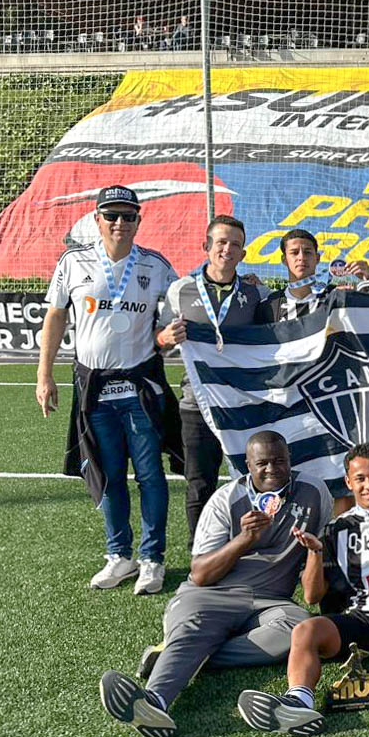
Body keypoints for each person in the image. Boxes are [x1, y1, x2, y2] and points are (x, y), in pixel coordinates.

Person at [98, 431, 329, 737]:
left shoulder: (314, 492)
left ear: (290, 461)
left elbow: (322, 549)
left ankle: (180, 653)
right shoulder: (227, 498)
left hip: (272, 601)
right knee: (194, 626)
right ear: (247, 464)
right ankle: (155, 702)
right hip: (211, 595)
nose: (272, 469)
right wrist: (244, 539)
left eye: (279, 461)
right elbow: (200, 574)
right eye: (262, 463)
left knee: (301, 627)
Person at [236, 443, 369, 737]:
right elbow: (312, 596)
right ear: (349, 482)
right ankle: (298, 701)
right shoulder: (335, 529)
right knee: (305, 631)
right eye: (360, 479)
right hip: (358, 620)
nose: (368, 485)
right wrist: (313, 553)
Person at [38, 185, 179, 594]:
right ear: (96, 219)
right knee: (110, 473)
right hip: (94, 391)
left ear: (139, 220)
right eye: (111, 215)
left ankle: (152, 558)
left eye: (128, 216)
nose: (120, 223)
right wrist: (44, 375)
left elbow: (169, 322)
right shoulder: (73, 261)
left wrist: (167, 336)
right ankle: (120, 555)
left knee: (150, 476)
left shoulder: (156, 266)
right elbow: (55, 317)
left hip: (139, 389)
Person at [157, 214, 269, 548]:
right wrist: (164, 338)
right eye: (221, 242)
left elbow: (272, 343)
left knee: (252, 480)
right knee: (199, 482)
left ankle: (252, 549)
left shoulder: (256, 292)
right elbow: (157, 344)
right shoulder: (181, 290)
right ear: (206, 247)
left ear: (244, 253)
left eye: (235, 244)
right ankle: (201, 553)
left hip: (242, 405)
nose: (227, 249)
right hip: (197, 404)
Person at [261, 229, 334, 322]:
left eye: (307, 252)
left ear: (317, 258)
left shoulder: (335, 296)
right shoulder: (268, 307)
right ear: (284, 259)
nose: (301, 257)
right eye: (294, 253)